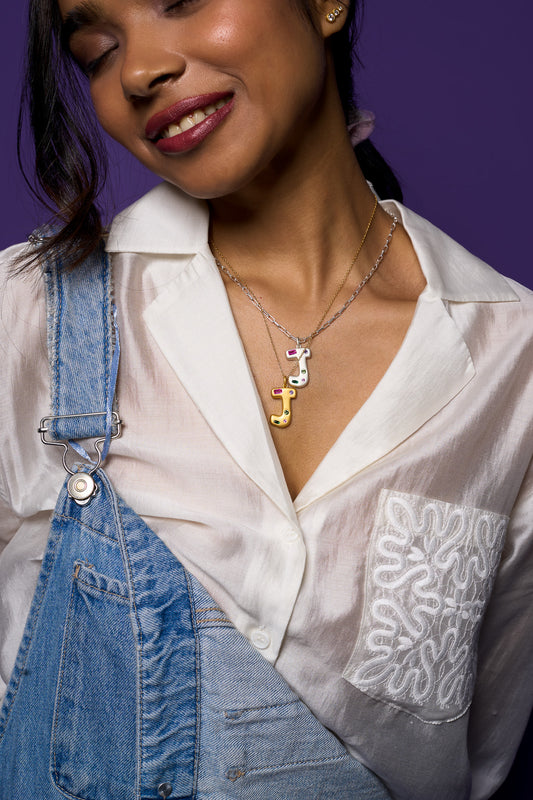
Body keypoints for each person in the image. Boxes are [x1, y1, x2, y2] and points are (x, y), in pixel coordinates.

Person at [0, 1, 532, 798]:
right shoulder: (27, 315)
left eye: (180, 0)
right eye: (98, 50)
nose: (140, 69)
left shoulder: (513, 363)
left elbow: (478, 753)